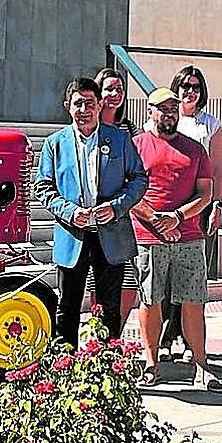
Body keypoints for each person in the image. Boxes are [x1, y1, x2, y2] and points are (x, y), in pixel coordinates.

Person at [34, 78, 147, 346]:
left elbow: (139, 179)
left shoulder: (119, 139)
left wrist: (117, 207)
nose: (84, 110)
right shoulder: (55, 143)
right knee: (67, 306)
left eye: (89, 103)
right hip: (73, 234)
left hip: (111, 235)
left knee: (110, 307)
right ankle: (66, 361)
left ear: (99, 105)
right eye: (78, 104)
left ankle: (107, 361)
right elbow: (42, 186)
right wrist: (70, 211)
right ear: (68, 106)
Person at [130, 88, 219, 389]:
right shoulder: (136, 147)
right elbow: (128, 192)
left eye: (173, 108)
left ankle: (201, 366)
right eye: (162, 108)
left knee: (194, 301)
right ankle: (151, 364)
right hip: (148, 236)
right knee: (150, 299)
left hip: (189, 236)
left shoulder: (195, 150)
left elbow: (205, 193)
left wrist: (178, 217)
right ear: (150, 112)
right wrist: (158, 220)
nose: (169, 113)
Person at [160, 66, 222, 362]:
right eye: (185, 86)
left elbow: (219, 170)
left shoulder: (211, 125)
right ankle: (165, 336)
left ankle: (190, 341)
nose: (190, 91)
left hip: (199, 208)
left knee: (192, 278)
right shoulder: (162, 121)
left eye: (196, 86)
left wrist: (217, 205)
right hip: (167, 210)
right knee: (165, 277)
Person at [89, 67, 141, 330]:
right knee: (96, 282)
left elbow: (138, 172)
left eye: (119, 89)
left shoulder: (129, 129)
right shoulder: (88, 127)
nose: (115, 94)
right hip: (92, 219)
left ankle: (115, 334)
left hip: (122, 217)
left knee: (128, 281)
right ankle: (99, 336)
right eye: (109, 88)